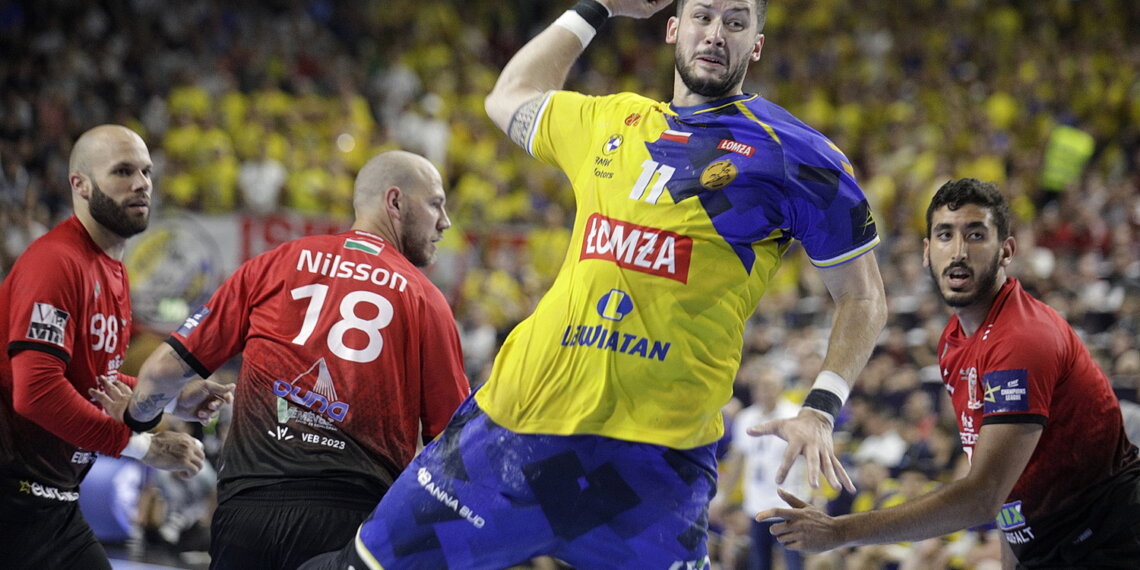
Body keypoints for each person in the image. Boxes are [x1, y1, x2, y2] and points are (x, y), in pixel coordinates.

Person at [304, 1, 885, 568]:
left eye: (736, 23)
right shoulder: (611, 119)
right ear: (673, 29)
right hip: (511, 428)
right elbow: (507, 97)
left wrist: (821, 408)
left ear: (755, 45)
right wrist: (598, 7)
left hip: (654, 470)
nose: (715, 34)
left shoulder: (799, 158)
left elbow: (863, 297)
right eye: (703, 17)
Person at [759, 178, 1140, 568]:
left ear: (1006, 250)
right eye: (945, 235)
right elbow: (1008, 496)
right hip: (1048, 544)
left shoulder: (1023, 338)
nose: (958, 252)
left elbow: (983, 494)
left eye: (976, 235)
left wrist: (839, 531)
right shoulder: (952, 342)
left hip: (1108, 540)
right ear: (927, 252)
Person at [125, 149, 471, 570]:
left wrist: (139, 429)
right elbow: (454, 449)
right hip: (352, 523)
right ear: (395, 202)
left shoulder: (272, 265)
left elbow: (161, 371)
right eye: (436, 203)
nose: (445, 221)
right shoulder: (426, 300)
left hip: (247, 511)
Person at [0, 124, 226, 570]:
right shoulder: (55, 263)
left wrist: (175, 398)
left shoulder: (112, 270)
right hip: (14, 498)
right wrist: (142, 447)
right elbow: (38, 391)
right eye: (123, 171)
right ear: (79, 185)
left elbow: (90, 382)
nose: (141, 183)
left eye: (146, 171)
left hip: (50, 500)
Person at [712, 359, 809, 570]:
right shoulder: (746, 418)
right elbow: (738, 460)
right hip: (756, 502)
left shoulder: (795, 415)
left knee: (793, 559)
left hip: (789, 502)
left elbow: (808, 457)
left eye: (770, 386)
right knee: (759, 561)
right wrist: (725, 496)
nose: (765, 391)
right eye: (760, 386)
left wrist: (811, 495)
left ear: (780, 387)